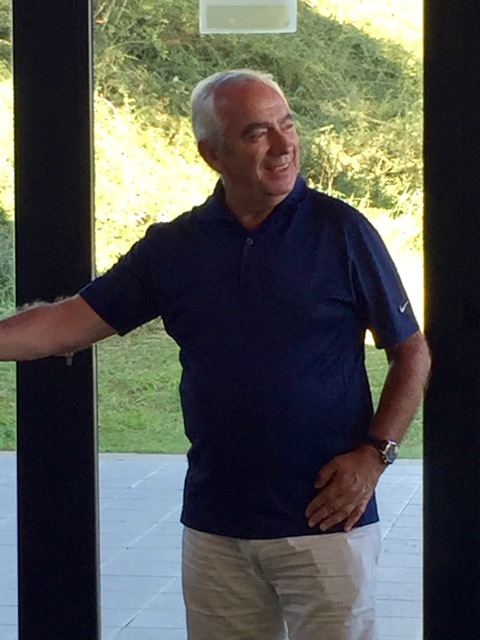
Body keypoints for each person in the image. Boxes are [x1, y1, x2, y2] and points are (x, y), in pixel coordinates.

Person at [0, 69, 430, 639]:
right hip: (216, 526)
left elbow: (411, 351)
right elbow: (64, 325)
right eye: (257, 133)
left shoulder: (341, 231)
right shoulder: (173, 248)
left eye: (287, 125)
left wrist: (374, 456)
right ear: (212, 154)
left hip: (328, 520)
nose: (283, 145)